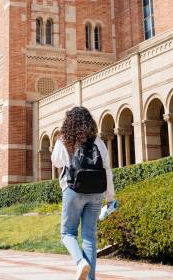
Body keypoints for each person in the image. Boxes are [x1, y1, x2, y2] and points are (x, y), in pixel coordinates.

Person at [51, 106, 115, 280]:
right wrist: (110, 198)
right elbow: (107, 169)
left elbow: (56, 161)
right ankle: (90, 278)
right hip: (96, 192)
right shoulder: (98, 141)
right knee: (89, 236)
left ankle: (80, 262)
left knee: (68, 233)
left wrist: (60, 140)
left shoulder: (65, 139)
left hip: (73, 190)